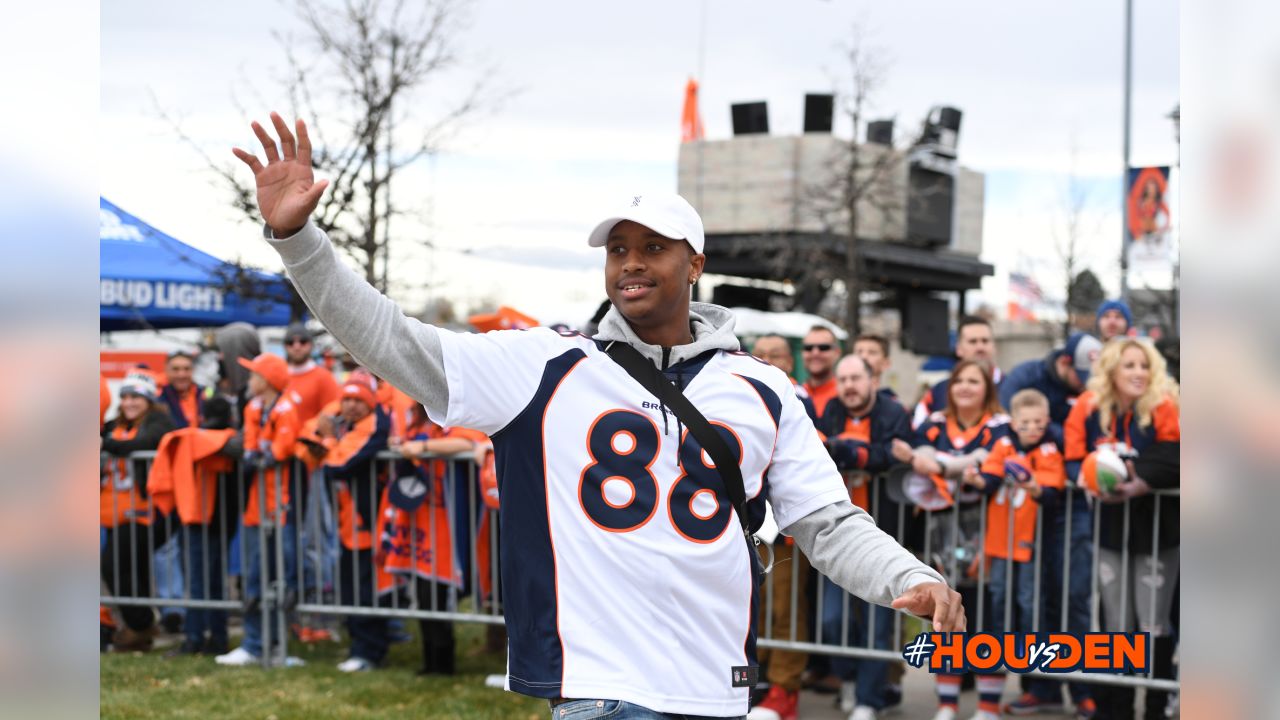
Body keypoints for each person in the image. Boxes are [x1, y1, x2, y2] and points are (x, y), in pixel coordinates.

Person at [234, 113, 963, 719]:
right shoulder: (546, 364)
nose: (630, 264)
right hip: (602, 690)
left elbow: (826, 523)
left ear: (696, 263)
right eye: (618, 249)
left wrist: (908, 574)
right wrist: (301, 245)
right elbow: (395, 341)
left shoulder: (762, 387)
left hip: (716, 686)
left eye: (652, 248)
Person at [1064, 339, 1180, 720]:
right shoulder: (1088, 407)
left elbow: (1179, 454)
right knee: (1114, 624)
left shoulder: (1165, 404)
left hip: (1159, 531)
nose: (1138, 373)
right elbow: (1072, 459)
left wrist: (1139, 478)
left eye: (1144, 366)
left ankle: (1155, 707)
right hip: (1111, 529)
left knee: (1152, 624)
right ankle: (1114, 707)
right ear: (1111, 370)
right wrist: (1090, 477)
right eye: (1129, 365)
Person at [998, 334, 1101, 717]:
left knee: (1073, 597)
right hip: (1030, 506)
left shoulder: (1093, 388)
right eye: (1081, 375)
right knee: (1034, 603)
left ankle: (1083, 687)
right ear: (1063, 364)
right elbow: (1011, 432)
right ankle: (1041, 686)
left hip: (1071, 507)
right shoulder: (1027, 377)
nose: (1087, 383)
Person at [901, 360, 1008, 720]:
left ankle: (988, 706)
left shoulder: (999, 425)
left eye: (974, 381)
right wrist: (949, 464)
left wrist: (943, 466)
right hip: (939, 531)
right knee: (944, 614)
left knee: (988, 619)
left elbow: (987, 458)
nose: (965, 387)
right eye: (959, 380)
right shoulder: (933, 422)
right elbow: (920, 455)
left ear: (988, 388)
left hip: (988, 531)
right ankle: (946, 704)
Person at [974, 390, 1083, 718]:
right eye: (1025, 422)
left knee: (1029, 603)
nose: (1032, 428)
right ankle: (1003, 658)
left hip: (1029, 542)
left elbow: (1053, 486)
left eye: (1038, 422)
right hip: (999, 541)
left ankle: (1033, 672)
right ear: (1013, 422)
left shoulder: (1049, 449)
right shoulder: (1003, 444)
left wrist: (1036, 487)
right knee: (998, 596)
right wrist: (977, 480)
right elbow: (990, 476)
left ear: (1047, 422)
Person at [819, 355, 914, 720]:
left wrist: (849, 450)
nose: (849, 387)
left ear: (872, 379)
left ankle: (868, 699)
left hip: (882, 533)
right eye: (843, 380)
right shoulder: (830, 410)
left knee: (878, 622)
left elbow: (896, 454)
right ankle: (848, 678)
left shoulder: (892, 412)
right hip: (837, 532)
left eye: (856, 378)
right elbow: (818, 449)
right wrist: (860, 453)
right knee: (831, 619)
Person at [385, 404, 489, 676]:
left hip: (447, 526)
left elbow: (467, 441)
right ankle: (430, 660)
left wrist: (423, 448)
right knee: (424, 595)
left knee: (435, 595)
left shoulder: (456, 416)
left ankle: (442, 662)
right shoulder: (419, 421)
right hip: (422, 523)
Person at [745, 335, 818, 720]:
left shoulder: (797, 397)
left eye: (775, 355)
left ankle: (785, 687)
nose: (768, 360)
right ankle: (758, 683)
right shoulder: (742, 390)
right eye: (761, 354)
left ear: (790, 361)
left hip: (787, 522)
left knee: (786, 607)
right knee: (755, 604)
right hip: (753, 521)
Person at [215, 352, 304, 667]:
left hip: (282, 507)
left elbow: (279, 451)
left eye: (253, 375)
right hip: (257, 506)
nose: (249, 380)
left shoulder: (286, 407)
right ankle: (253, 644)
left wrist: (260, 453)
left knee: (282, 577)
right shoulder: (253, 407)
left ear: (266, 380)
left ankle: (279, 644)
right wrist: (259, 453)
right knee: (254, 575)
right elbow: (253, 449)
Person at [314, 377, 392, 672]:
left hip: (367, 522)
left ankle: (369, 651)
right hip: (348, 523)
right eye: (346, 399)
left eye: (358, 400)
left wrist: (328, 440)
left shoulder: (373, 425)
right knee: (351, 587)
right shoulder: (344, 424)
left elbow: (338, 466)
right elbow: (308, 445)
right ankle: (358, 646)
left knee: (366, 589)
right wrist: (325, 437)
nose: (350, 405)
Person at [101, 370, 176, 652]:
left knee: (114, 566)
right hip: (114, 510)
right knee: (134, 570)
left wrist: (106, 445)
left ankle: (140, 623)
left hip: (145, 511)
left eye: (136, 397)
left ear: (148, 399)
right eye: (126, 397)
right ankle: (141, 628)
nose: (130, 402)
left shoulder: (158, 420)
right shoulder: (113, 425)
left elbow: (147, 443)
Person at [913, 316, 1003, 428]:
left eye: (985, 341)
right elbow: (917, 434)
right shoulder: (938, 392)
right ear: (958, 349)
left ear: (994, 346)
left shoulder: (1013, 387)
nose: (980, 347)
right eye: (973, 341)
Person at [282, 322, 341, 424]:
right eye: (290, 342)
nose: (297, 346)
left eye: (303, 341)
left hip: (309, 438)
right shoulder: (278, 375)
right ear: (285, 346)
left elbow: (333, 412)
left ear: (311, 345)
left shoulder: (324, 377)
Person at [801, 325, 843, 421]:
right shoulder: (794, 394)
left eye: (823, 347)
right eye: (808, 348)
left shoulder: (847, 395)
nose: (815, 353)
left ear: (837, 353)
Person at [852, 334, 898, 404]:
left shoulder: (893, 407)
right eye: (859, 352)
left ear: (885, 364)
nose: (864, 357)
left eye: (872, 352)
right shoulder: (836, 403)